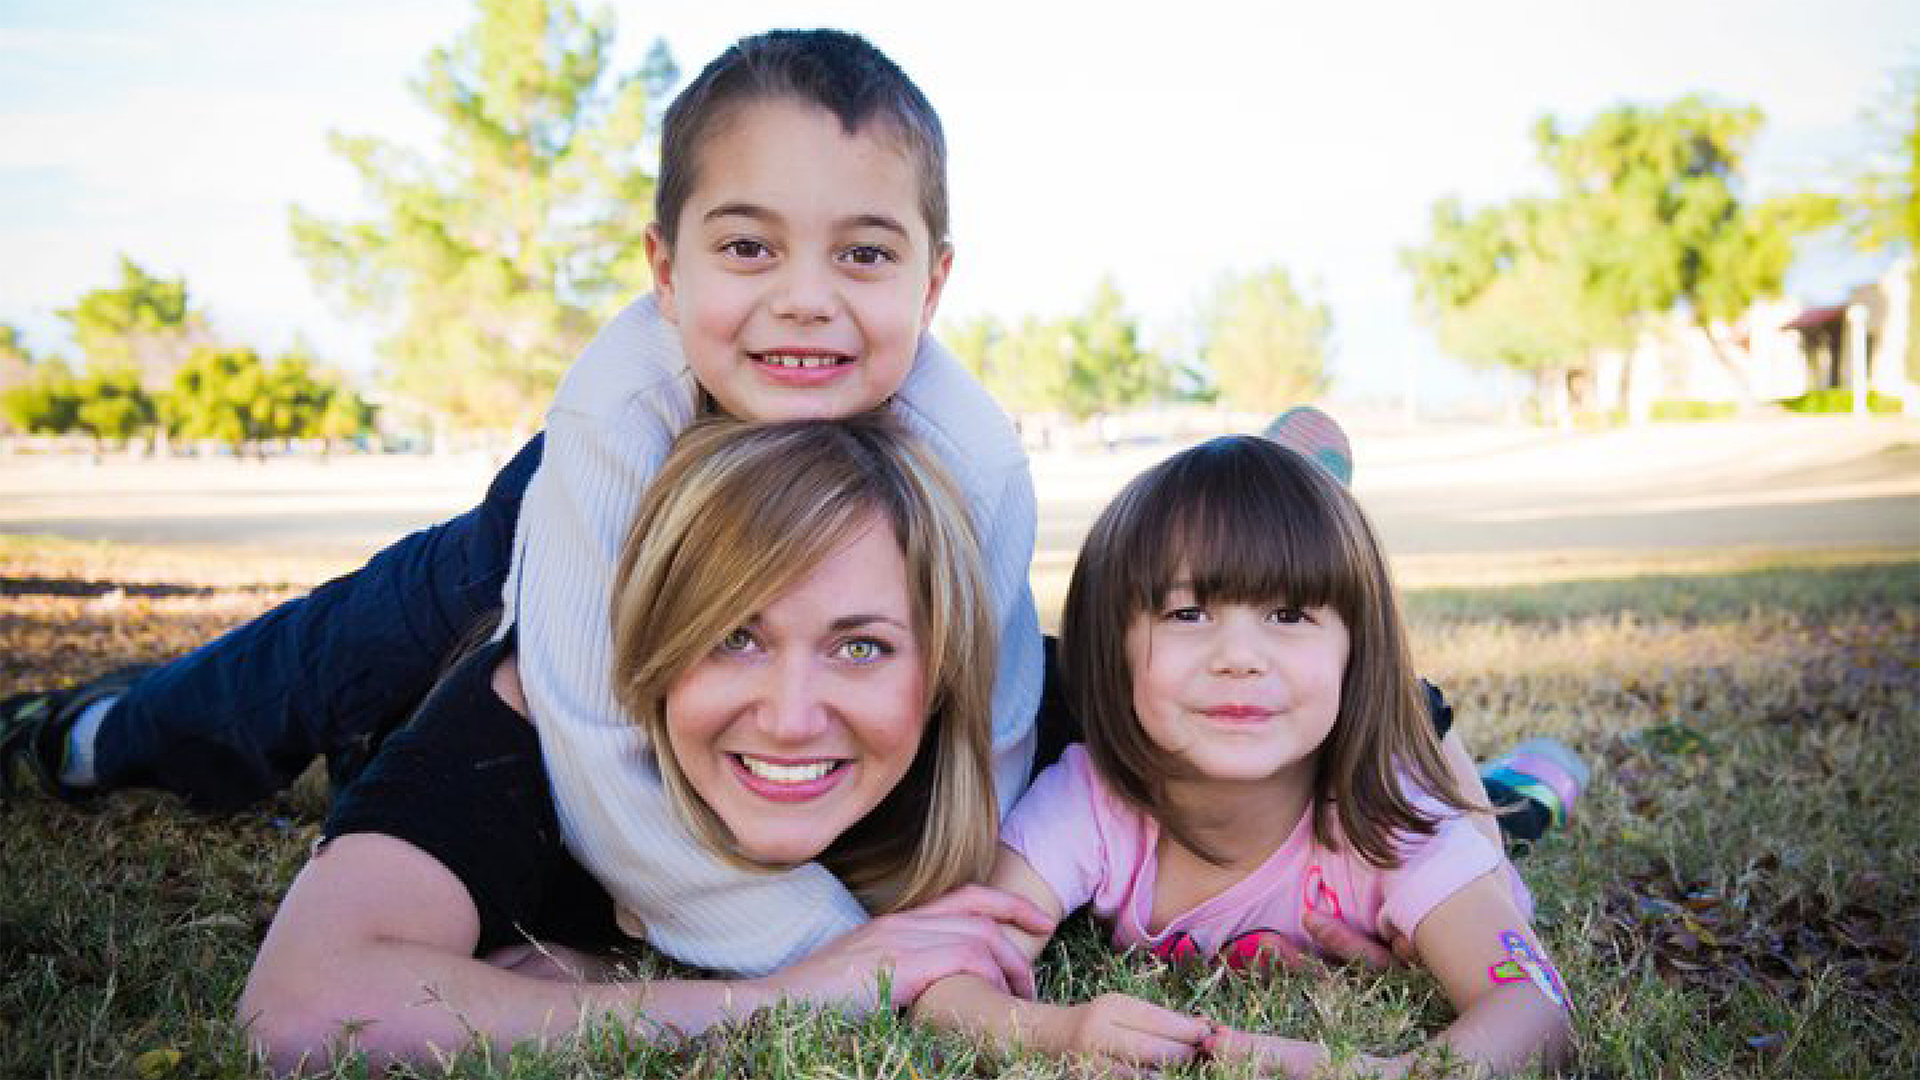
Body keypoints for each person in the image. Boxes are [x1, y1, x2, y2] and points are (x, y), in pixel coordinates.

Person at [1, 29, 1044, 976]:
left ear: (933, 283)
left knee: (388, 730)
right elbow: (594, 744)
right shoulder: (614, 408)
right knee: (321, 663)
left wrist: (951, 909)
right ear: (665, 272)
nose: (807, 295)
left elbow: (987, 726)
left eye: (863, 254)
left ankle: (343, 745)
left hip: (759, 576)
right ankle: (94, 733)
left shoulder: (977, 458)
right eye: (747, 247)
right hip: (507, 552)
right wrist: (833, 949)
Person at [240, 414, 1051, 1072]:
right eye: (734, 637)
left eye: (861, 647)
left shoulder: (1019, 715)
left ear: (943, 665)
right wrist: (785, 994)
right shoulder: (529, 716)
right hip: (440, 602)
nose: (792, 718)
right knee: (214, 705)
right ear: (651, 646)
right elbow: (303, 1006)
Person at [913, 435, 1574, 1077]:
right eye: (1188, 613)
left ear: (1355, 649)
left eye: (1287, 615)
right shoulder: (1088, 801)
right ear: (1113, 647)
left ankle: (1539, 775)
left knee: (1507, 819)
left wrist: (1381, 1070)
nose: (1237, 658)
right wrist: (1063, 1033)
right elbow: (948, 983)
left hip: (1404, 785)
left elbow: (1536, 1011)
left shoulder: (1398, 825)